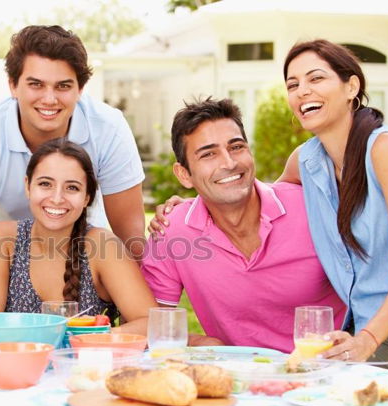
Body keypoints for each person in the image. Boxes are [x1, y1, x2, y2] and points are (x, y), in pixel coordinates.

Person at [0, 25, 147, 316]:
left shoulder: (108, 127)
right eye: (36, 84)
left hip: (83, 246)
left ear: (80, 89)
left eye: (63, 86)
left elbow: (131, 234)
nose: (49, 99)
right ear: (13, 85)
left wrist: (137, 320)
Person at [141, 98, 345, 352]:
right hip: (238, 381)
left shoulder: (311, 207)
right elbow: (151, 329)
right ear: (184, 174)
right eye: (208, 154)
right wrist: (203, 342)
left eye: (236, 147)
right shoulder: (171, 231)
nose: (228, 162)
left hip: (329, 371)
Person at [280, 39, 388, 373]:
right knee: (296, 383)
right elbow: (256, 201)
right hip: (362, 325)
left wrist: (367, 340)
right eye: (293, 85)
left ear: (351, 86)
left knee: (345, 391)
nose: (302, 91)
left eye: (316, 79)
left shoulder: (387, 149)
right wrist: (187, 207)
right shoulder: (305, 160)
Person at [0, 138, 155, 335]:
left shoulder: (102, 245)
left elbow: (149, 323)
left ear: (86, 198)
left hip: (86, 365)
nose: (57, 198)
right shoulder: (4, 239)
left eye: (72, 187)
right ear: (28, 186)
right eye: (45, 184)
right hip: (17, 363)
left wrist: (89, 340)